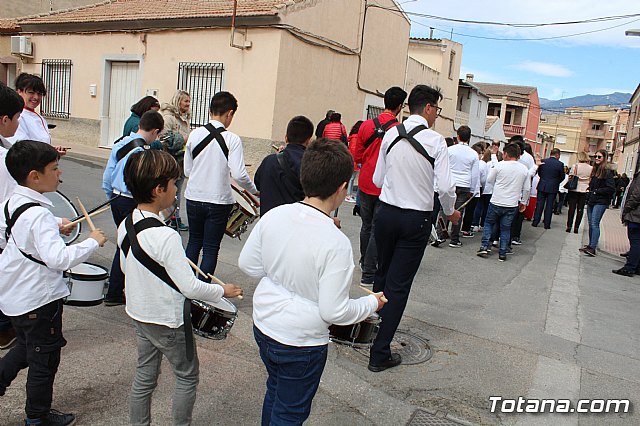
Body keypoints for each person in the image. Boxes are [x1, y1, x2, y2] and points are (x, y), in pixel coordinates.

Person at [238, 139, 385, 425]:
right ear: (343, 187)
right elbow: (334, 312)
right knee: (290, 411)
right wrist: (371, 303)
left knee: (276, 390)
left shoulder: (275, 215)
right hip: (301, 341)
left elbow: (248, 264)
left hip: (264, 324)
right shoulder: (336, 242)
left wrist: (282, 271)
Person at [118, 150, 242, 425]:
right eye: (174, 184)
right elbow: (190, 288)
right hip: (168, 321)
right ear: (158, 189)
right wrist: (224, 291)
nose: (177, 190)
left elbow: (127, 268)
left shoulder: (126, 224)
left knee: (144, 375)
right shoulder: (166, 235)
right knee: (187, 375)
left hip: (139, 313)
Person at [0, 140, 107, 426]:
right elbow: (59, 259)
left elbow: (17, 229)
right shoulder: (38, 215)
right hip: (38, 299)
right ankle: (37, 416)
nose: (59, 174)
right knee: (44, 360)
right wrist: (91, 243)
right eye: (54, 169)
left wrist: (57, 221)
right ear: (35, 176)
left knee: (25, 346)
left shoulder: (15, 201)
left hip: (15, 295)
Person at [369, 85, 460, 372]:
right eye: (437, 110)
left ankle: (368, 334)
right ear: (429, 108)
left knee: (381, 278)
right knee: (397, 286)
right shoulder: (436, 141)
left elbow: (378, 178)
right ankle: (379, 352)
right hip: (415, 219)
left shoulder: (391, 134)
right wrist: (450, 212)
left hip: (386, 213)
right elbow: (445, 187)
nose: (436, 115)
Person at [184, 91, 258, 278]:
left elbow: (186, 170)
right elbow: (239, 174)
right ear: (230, 113)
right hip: (218, 201)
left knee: (193, 242)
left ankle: (185, 286)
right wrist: (254, 191)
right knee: (210, 248)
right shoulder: (232, 139)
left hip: (193, 197)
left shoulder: (194, 134)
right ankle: (202, 293)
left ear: (210, 110)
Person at [102, 111, 165, 306]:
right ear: (155, 131)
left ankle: (117, 289)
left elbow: (107, 176)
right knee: (128, 246)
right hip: (131, 201)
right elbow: (141, 185)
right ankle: (116, 292)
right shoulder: (142, 154)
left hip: (116, 198)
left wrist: (111, 196)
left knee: (125, 242)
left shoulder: (121, 144)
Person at [354, 87, 407, 286]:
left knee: (366, 225)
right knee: (377, 228)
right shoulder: (399, 130)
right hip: (385, 184)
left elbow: (357, 156)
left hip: (366, 180)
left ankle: (363, 260)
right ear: (400, 106)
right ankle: (369, 271)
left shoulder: (366, 125)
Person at [476, 143, 530, 261]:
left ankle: (484, 246)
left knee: (489, 224)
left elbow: (489, 180)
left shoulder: (499, 166)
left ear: (505, 154)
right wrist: (524, 202)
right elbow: (526, 188)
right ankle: (503, 252)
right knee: (506, 228)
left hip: (496, 200)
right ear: (518, 155)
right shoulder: (524, 169)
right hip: (512, 203)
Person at [0, 83, 24, 350]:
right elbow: (9, 205)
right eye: (17, 118)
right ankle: (5, 330)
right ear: (4, 119)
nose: (18, 124)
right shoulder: (3, 159)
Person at [254, 116, 314, 216]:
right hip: (295, 224)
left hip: (268, 223)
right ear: (309, 141)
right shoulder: (310, 164)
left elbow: (258, 184)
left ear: (286, 138)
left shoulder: (268, 160)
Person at [7, 73, 67, 156]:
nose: (36, 97)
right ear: (19, 92)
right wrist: (50, 152)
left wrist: (52, 150)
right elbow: (23, 147)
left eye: (39, 94)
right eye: (31, 92)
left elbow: (39, 143)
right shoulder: (17, 116)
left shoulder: (40, 118)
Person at [159, 90, 191, 231]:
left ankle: (175, 218)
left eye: (189, 101)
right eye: (186, 101)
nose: (188, 104)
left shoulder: (184, 118)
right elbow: (164, 139)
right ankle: (167, 218)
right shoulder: (169, 118)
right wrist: (184, 139)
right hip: (170, 162)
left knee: (177, 192)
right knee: (169, 192)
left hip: (180, 162)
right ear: (178, 101)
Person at [580, 149, 615, 257]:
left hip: (600, 201)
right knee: (591, 223)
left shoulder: (607, 172)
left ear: (604, 158)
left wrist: (596, 191)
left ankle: (593, 247)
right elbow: (593, 185)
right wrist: (590, 190)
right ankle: (591, 245)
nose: (597, 159)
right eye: (595, 157)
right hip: (592, 200)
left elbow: (610, 188)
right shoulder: (595, 170)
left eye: (599, 157)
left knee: (595, 223)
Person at [509, 137, 536, 245]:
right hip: (511, 189)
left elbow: (531, 174)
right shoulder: (510, 155)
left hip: (520, 189)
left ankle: (515, 236)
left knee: (519, 215)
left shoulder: (528, 158)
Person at [532, 148, 565, 229]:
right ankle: (547, 224)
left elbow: (539, 173)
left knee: (539, 204)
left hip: (542, 185)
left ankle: (535, 221)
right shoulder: (560, 164)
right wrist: (556, 181)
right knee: (549, 206)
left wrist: (544, 179)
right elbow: (562, 177)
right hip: (553, 187)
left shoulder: (543, 161)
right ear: (557, 155)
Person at [565, 151, 593, 233]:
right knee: (580, 209)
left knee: (571, 209)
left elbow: (571, 176)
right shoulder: (591, 168)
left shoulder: (575, 166)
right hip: (584, 189)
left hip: (574, 188)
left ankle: (569, 226)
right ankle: (576, 227)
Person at [345, 120, 363, 203]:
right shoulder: (356, 137)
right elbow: (354, 149)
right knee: (351, 178)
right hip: (354, 159)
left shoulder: (353, 136)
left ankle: (349, 193)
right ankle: (348, 194)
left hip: (352, 158)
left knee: (351, 177)